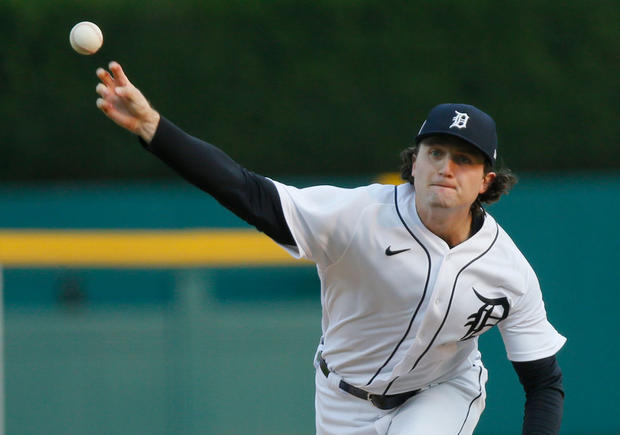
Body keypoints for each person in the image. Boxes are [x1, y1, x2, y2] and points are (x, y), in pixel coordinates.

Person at [95, 61, 566, 434]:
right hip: (342, 399)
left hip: (441, 391)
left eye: (463, 159)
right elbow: (246, 191)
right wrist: (154, 128)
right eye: (435, 153)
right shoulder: (356, 217)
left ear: (485, 182)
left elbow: (543, 383)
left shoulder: (507, 271)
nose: (446, 166)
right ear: (414, 163)